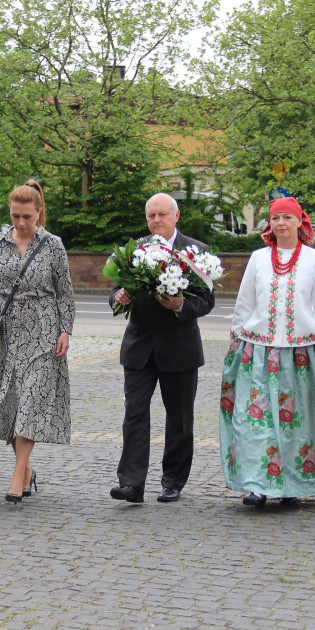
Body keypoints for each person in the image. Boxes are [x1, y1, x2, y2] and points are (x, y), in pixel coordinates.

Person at [221, 197, 315, 508]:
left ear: (299, 222)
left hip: (301, 352)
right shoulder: (257, 258)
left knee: (298, 422)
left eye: (287, 218)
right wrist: (237, 341)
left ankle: (292, 483)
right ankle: (257, 484)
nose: (281, 223)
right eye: (275, 218)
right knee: (256, 421)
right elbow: (245, 302)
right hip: (260, 350)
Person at [0, 181, 75, 502]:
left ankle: (17, 476)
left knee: (31, 401)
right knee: (11, 404)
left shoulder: (53, 245)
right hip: (5, 332)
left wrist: (65, 330)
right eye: (15, 216)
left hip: (43, 330)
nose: (21, 222)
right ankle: (26, 469)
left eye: (27, 216)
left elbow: (65, 292)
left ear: (39, 213)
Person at [109, 193, 215, 504]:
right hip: (139, 346)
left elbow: (207, 300)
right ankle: (131, 483)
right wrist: (118, 296)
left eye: (162, 215)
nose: (157, 221)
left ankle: (173, 480)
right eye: (151, 216)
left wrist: (182, 304)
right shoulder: (133, 249)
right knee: (135, 414)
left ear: (176, 216)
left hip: (180, 348)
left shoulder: (196, 252)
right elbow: (115, 286)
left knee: (180, 419)